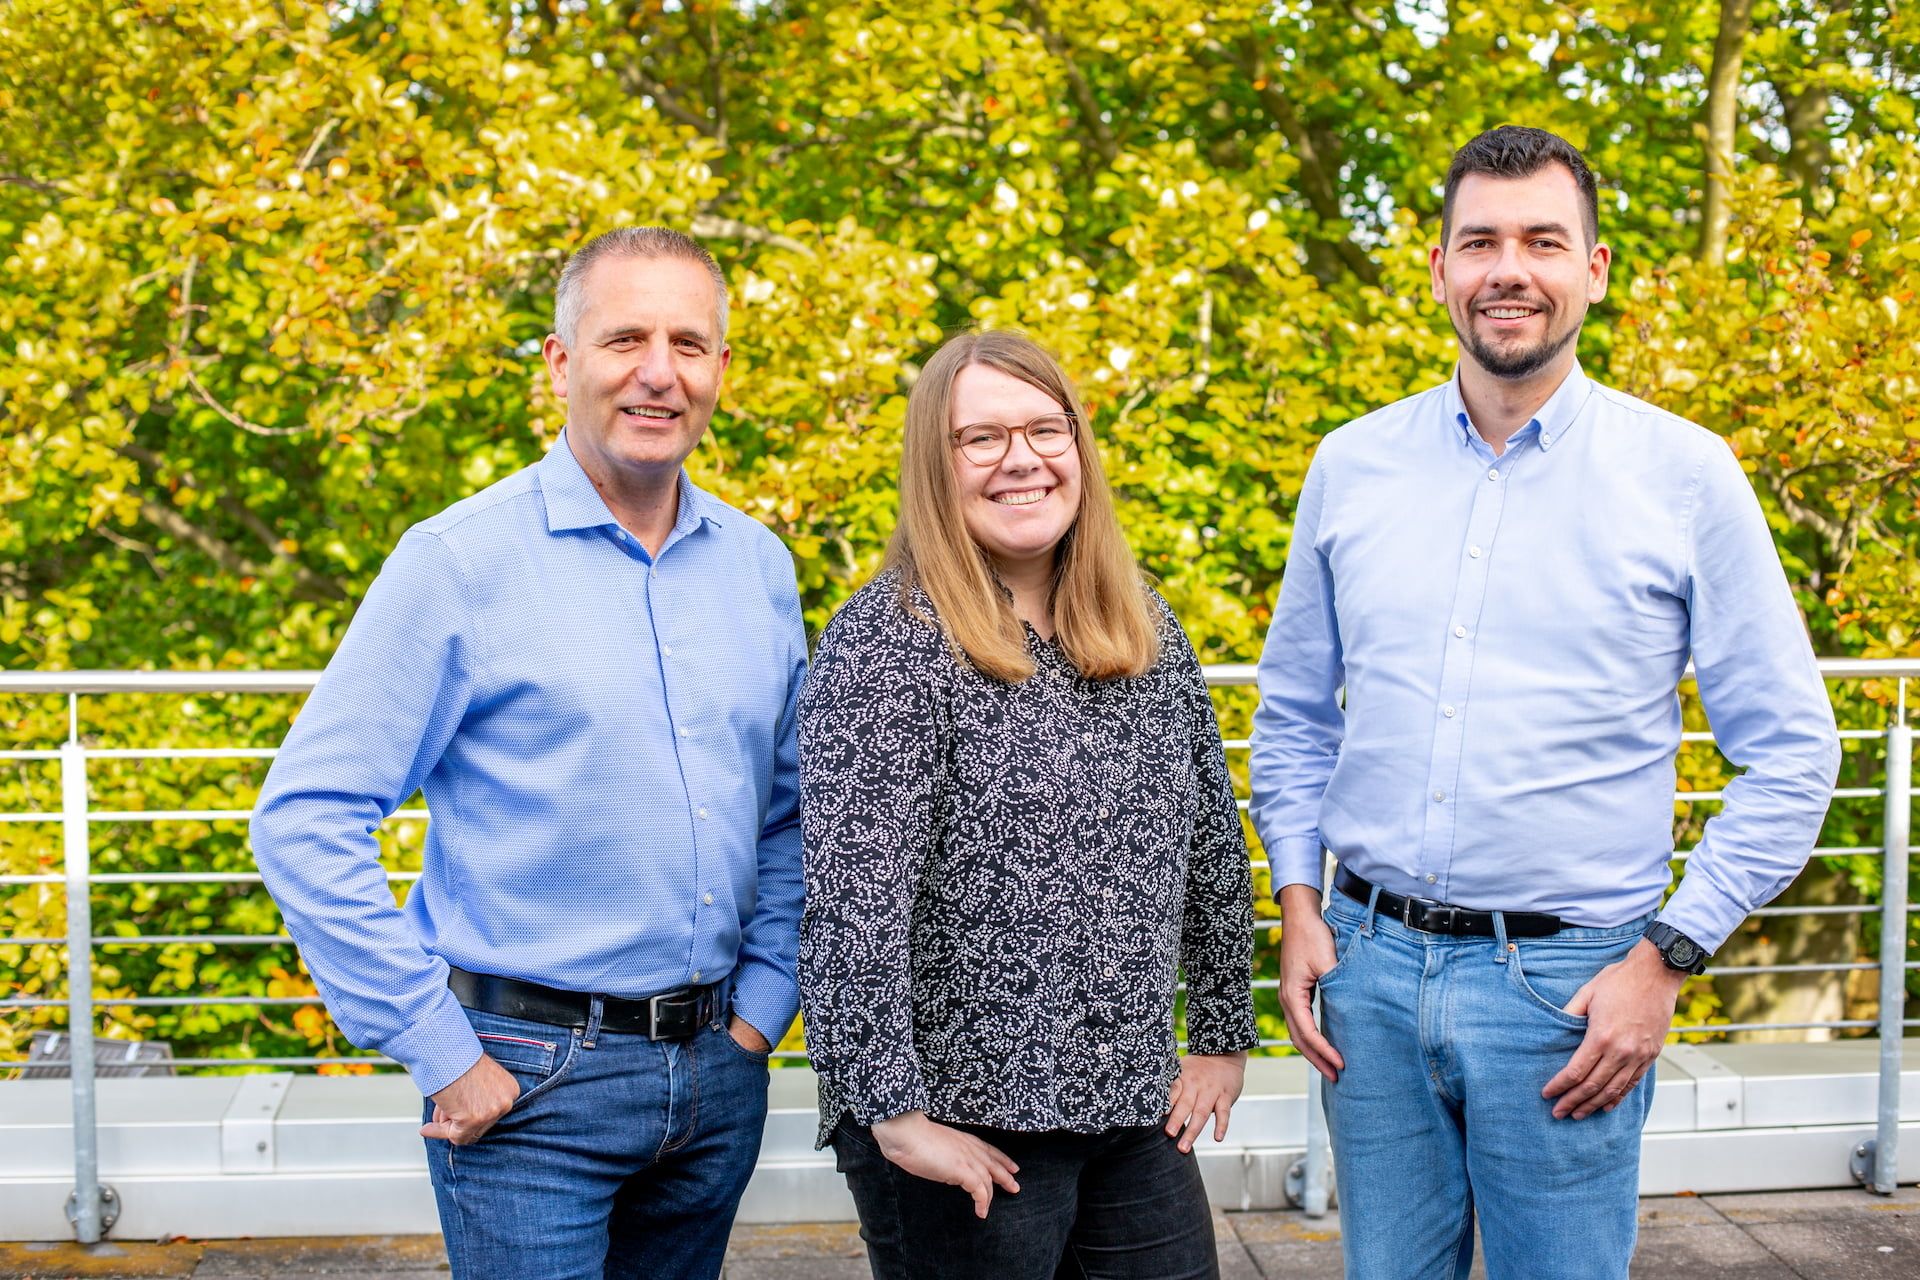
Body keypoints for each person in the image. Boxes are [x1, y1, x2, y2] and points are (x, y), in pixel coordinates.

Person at [1248, 125, 1842, 1279]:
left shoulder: (1685, 475)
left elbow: (1792, 752)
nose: (1507, 268)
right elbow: (1294, 714)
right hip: (1362, 971)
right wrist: (1299, 896)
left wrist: (1665, 958)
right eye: (1479, 241)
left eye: (1541, 241)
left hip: (1569, 992)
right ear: (1438, 268)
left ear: (1595, 269)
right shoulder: (1351, 464)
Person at [250, 227, 806, 1280]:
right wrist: (439, 1049)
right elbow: (306, 816)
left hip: (717, 1071)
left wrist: (760, 1013)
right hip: (525, 1083)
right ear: (560, 362)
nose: (658, 371)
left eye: (690, 343)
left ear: (722, 371)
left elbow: (787, 814)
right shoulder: (458, 563)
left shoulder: (759, 570)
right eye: (624, 338)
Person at [797, 329, 1257, 1280]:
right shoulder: (887, 641)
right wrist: (893, 1114)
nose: (1021, 460)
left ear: (1080, 448)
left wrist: (1219, 1035)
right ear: (937, 464)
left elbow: (1212, 838)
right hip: (958, 1119)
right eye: (982, 439)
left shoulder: (1141, 621)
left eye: (1046, 430)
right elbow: (853, 904)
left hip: (1130, 1099)